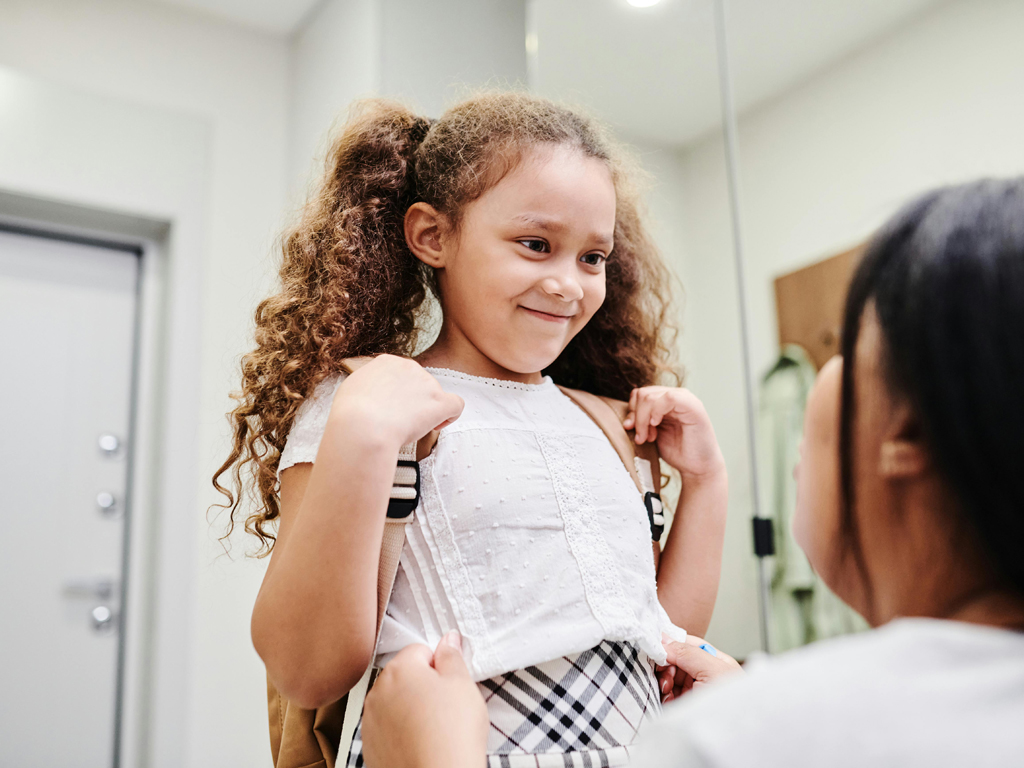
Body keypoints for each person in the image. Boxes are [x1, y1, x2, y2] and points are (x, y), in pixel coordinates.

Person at [360, 178, 1024, 767]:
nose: (567, 281)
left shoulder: (750, 736)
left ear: (908, 431)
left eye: (852, 345)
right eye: (536, 244)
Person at [213, 93, 729, 766]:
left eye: (592, 258)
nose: (569, 285)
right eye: (536, 245)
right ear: (433, 236)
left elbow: (660, 635)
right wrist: (362, 437)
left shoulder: (603, 420)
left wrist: (706, 483)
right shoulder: (374, 402)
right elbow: (305, 670)